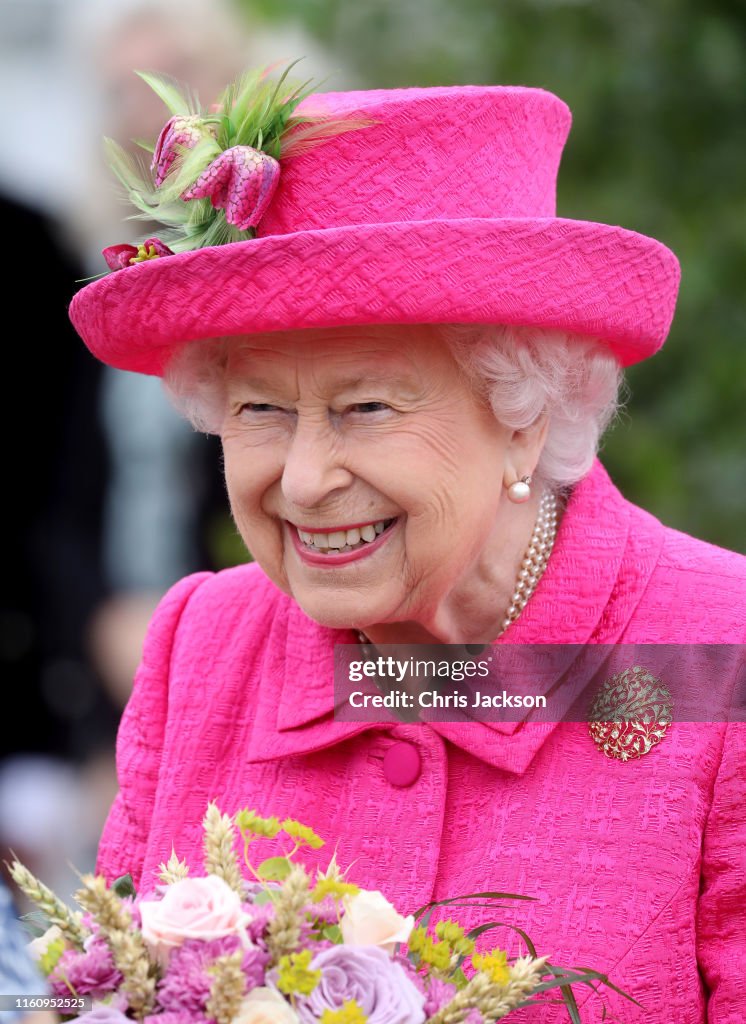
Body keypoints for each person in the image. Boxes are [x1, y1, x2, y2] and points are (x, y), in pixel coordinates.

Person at [68, 73, 745, 1023]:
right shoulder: (202, 643)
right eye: (259, 409)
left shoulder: (721, 653)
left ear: (524, 416)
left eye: (365, 408)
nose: (302, 481)